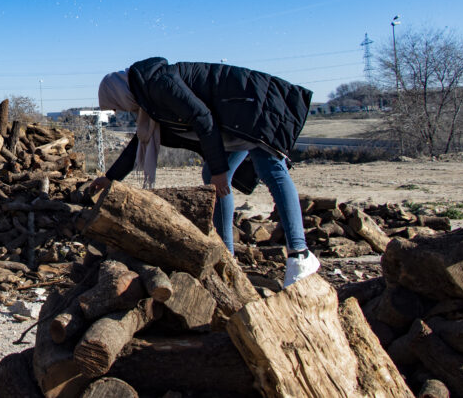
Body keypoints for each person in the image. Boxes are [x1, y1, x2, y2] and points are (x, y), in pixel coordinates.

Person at [92, 57, 320, 287]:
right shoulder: (148, 95)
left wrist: (221, 170)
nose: (125, 110)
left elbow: (202, 117)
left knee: (270, 169)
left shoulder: (159, 84)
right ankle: (228, 256)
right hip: (235, 117)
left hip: (256, 106)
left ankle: (300, 254)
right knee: (213, 176)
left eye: (118, 104)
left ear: (119, 93)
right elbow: (139, 144)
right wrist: (110, 178)